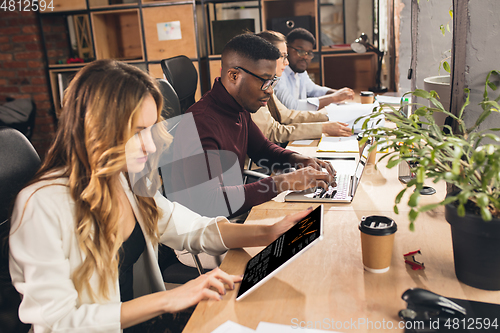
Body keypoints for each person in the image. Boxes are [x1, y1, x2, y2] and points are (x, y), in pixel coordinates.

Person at [8, 59, 314, 332]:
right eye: (137, 131)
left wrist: (268, 231)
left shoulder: (123, 179)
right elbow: (57, 321)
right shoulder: (43, 204)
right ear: (95, 128)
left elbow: (190, 228)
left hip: (142, 320)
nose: (151, 145)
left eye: (151, 129)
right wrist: (171, 299)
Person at [169, 34, 336, 219]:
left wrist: (298, 160)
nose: (270, 90)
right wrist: (283, 182)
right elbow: (210, 203)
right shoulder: (201, 123)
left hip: (233, 210)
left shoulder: (238, 107)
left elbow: (263, 149)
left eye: (273, 81)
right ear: (234, 75)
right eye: (265, 80)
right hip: (207, 229)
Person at [251, 30, 352, 144]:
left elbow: (286, 114)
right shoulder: (254, 90)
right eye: (283, 56)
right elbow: (273, 132)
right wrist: (323, 127)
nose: (287, 62)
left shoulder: (266, 84)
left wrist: (327, 117)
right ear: (265, 57)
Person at [273, 27, 355, 111]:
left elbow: (313, 90)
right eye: (300, 51)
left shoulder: (300, 72)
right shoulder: (279, 73)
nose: (305, 56)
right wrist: (333, 98)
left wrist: (339, 93)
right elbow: (291, 107)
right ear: (287, 49)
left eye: (309, 53)